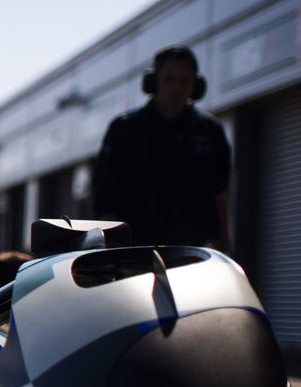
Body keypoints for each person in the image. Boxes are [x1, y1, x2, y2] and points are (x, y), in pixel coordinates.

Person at [92, 45, 232, 251]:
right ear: (153, 81)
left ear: (196, 86)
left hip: (195, 255)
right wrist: (112, 251)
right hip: (136, 254)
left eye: (185, 81)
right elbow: (104, 198)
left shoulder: (210, 130)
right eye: (169, 80)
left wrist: (226, 243)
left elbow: (220, 193)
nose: (177, 88)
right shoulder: (124, 130)